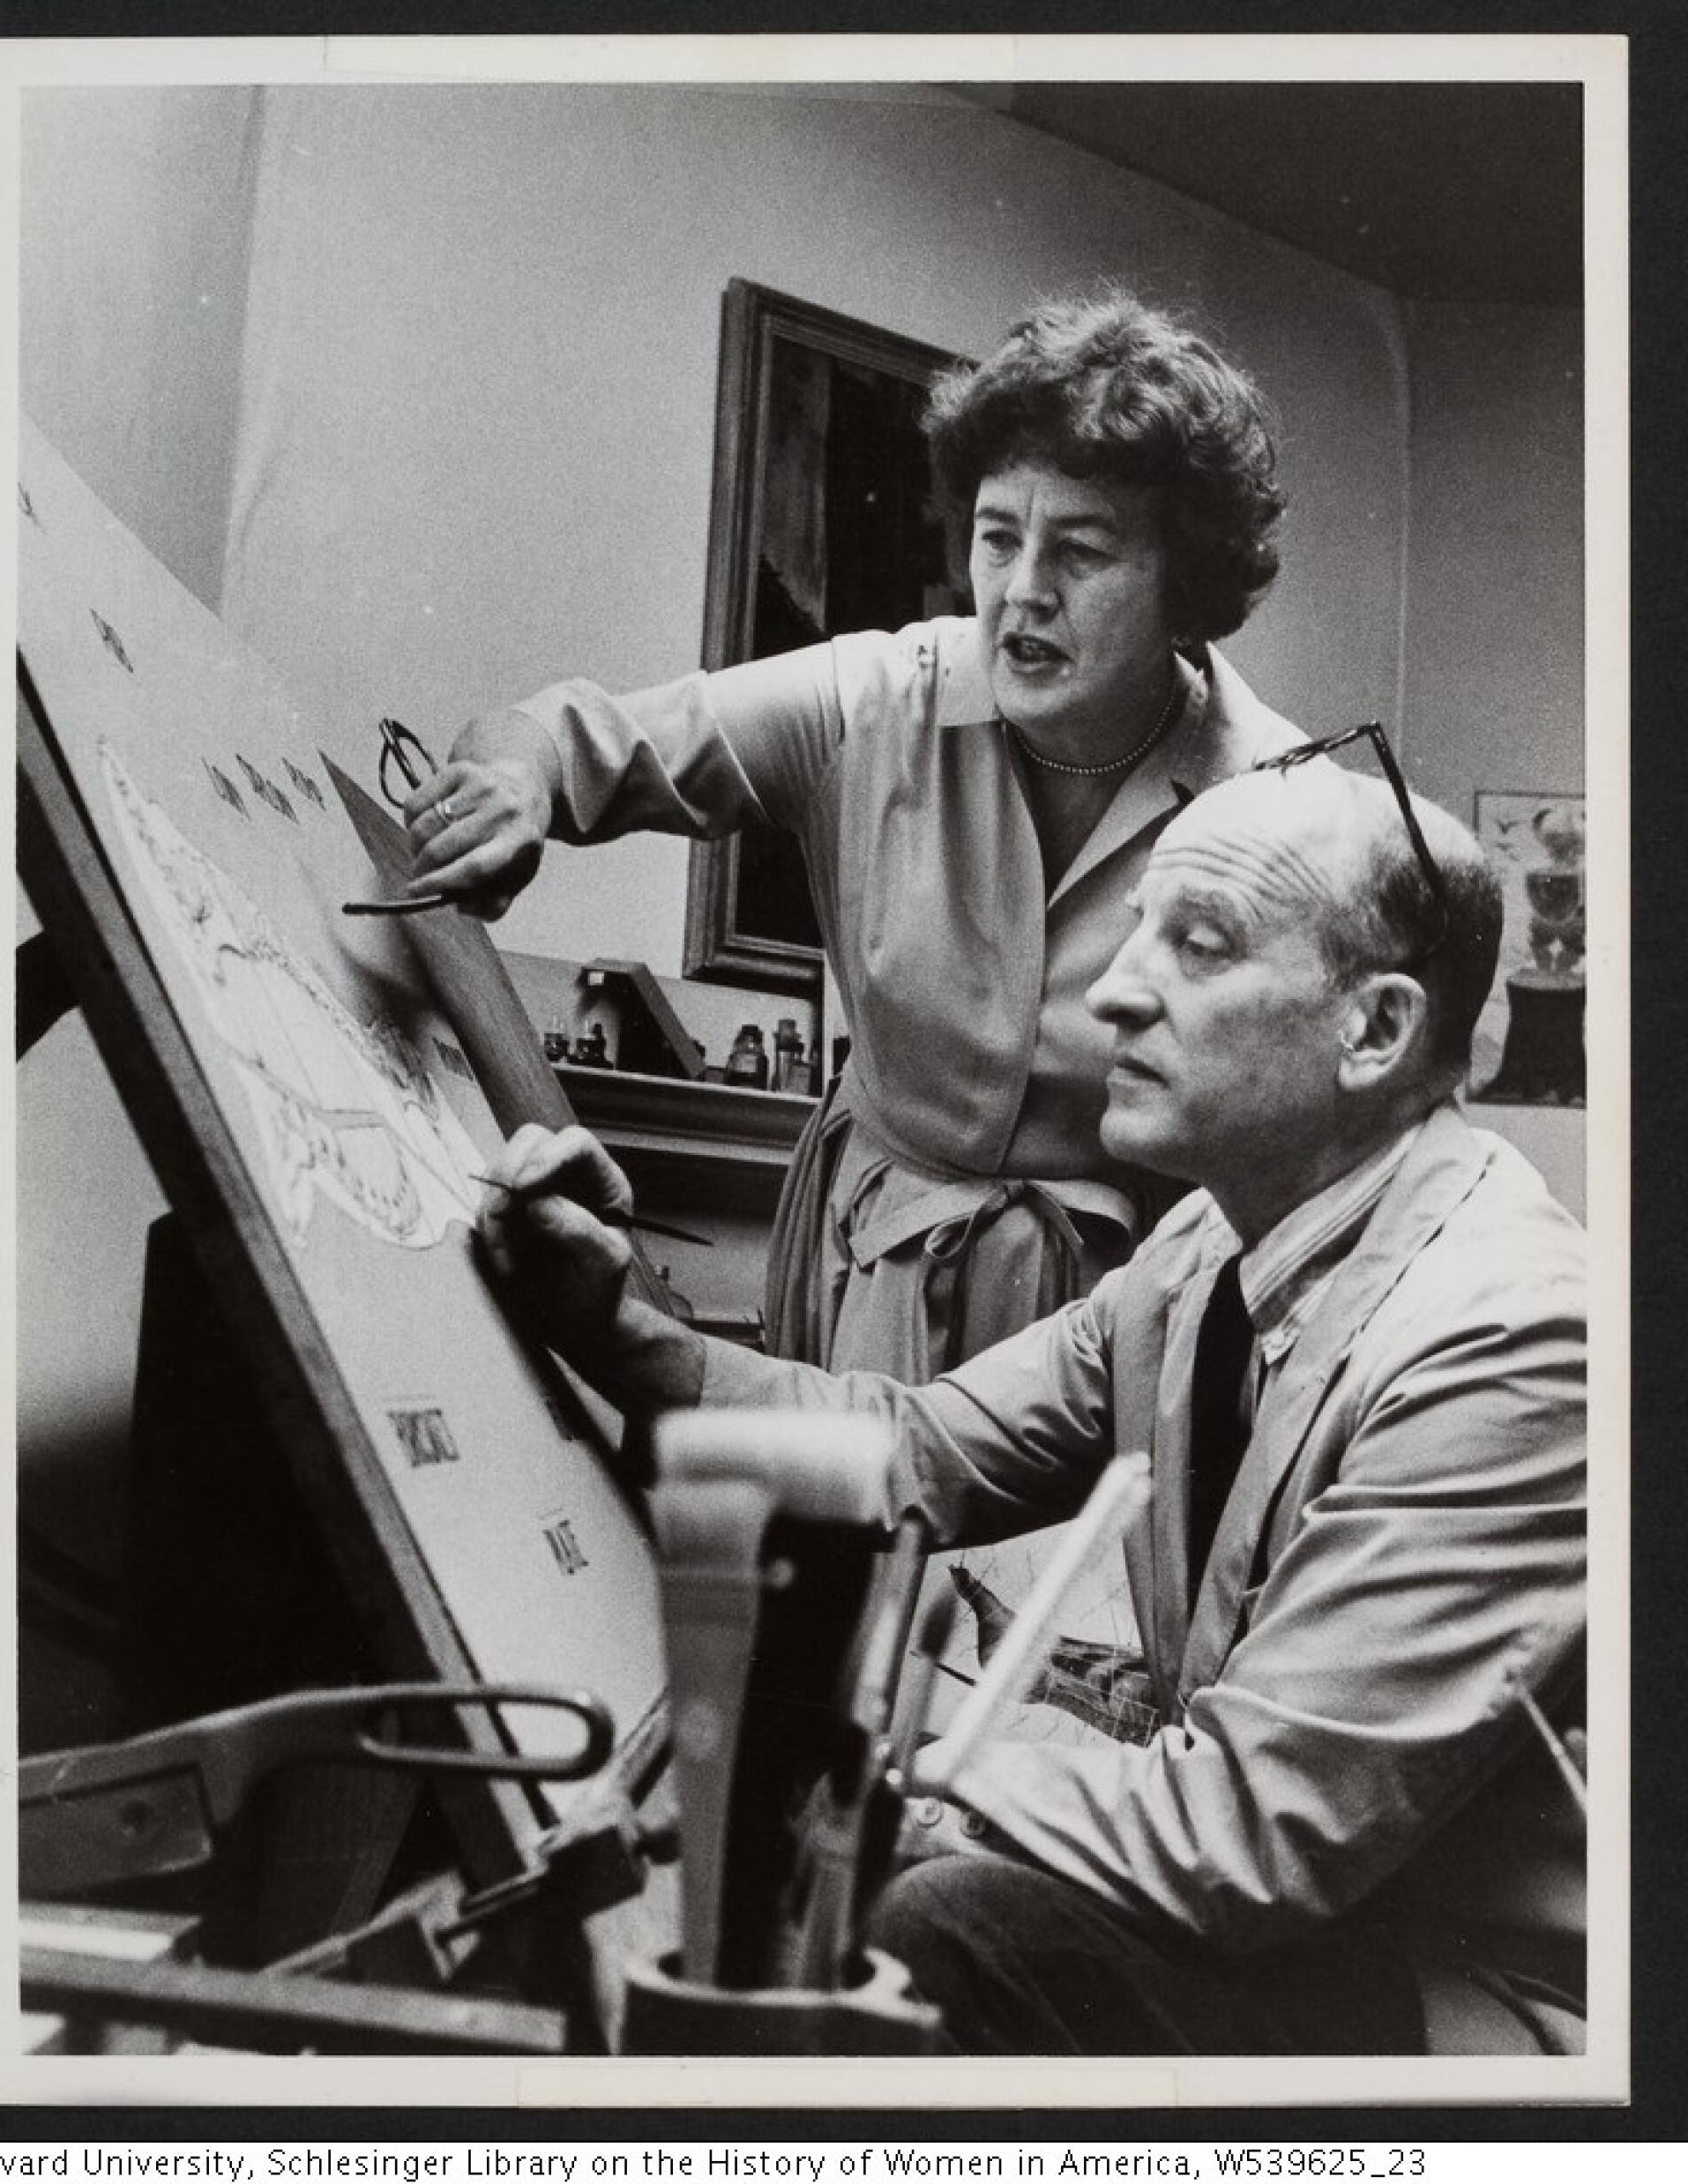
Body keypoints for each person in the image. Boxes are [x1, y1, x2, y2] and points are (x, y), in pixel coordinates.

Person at [472, 757, 1587, 2057]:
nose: (1113, 993)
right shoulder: (1202, 1258)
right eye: (1135, 939)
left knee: (945, 1926)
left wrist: (889, 1735)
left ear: (1376, 1030)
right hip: (1316, 1927)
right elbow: (915, 1447)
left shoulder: (1508, 1334)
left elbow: (1243, 1836)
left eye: (1201, 946)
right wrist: (615, 1324)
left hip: (1473, 2000)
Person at [404, 289, 1299, 1379]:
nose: (1021, 591)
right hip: (860, 1287)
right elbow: (562, 735)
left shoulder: (1281, 804)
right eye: (996, 536)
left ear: (1188, 584)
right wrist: (512, 783)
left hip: (1119, 1333)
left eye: (1082, 551)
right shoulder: (875, 700)